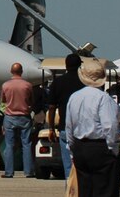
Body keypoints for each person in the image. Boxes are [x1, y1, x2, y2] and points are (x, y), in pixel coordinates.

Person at [66, 57, 120, 197]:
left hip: (80, 146)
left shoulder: (74, 97)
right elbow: (110, 126)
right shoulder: (103, 98)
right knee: (105, 190)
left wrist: (72, 149)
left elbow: (69, 126)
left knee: (85, 190)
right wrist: (113, 149)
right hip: (100, 147)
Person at [47, 52, 85, 183]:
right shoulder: (85, 82)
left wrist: (51, 128)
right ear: (80, 65)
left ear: (66, 66)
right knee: (83, 166)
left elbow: (52, 107)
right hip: (84, 127)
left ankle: (71, 191)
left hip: (65, 126)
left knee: (68, 167)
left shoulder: (58, 82)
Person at [0, 61, 35, 178]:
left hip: (10, 116)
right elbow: (31, 101)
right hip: (24, 116)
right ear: (21, 71)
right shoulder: (27, 85)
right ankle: (28, 171)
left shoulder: (5, 85)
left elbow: (3, 100)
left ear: (11, 71)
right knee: (27, 144)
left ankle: (9, 172)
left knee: (9, 144)